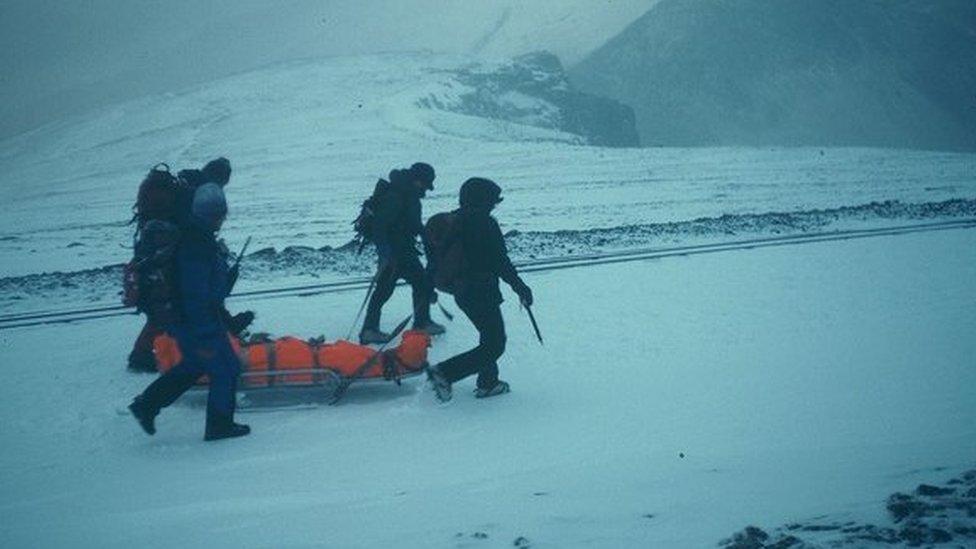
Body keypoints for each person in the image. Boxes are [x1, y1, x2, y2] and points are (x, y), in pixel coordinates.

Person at [128, 183, 251, 441]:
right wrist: (205, 332)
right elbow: (195, 293)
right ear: (214, 214)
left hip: (191, 320)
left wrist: (226, 280)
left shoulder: (195, 235)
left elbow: (207, 287)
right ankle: (219, 426)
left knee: (194, 366)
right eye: (221, 214)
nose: (223, 219)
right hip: (198, 323)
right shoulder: (197, 244)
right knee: (226, 368)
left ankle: (146, 405)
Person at [126, 157, 251, 372]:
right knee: (167, 309)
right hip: (171, 257)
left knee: (168, 306)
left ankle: (226, 330)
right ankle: (140, 357)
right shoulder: (198, 192)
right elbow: (194, 227)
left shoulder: (185, 182)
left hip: (160, 252)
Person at [425, 178, 533, 402]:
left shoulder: (449, 222)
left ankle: (488, 383)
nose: (494, 206)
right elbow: (500, 262)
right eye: (492, 201)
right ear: (483, 200)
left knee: (488, 336)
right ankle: (444, 372)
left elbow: (433, 261)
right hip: (481, 290)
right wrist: (520, 287)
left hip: (461, 292)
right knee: (494, 345)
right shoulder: (485, 224)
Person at [360, 162, 446, 344]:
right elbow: (379, 226)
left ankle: (420, 323)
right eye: (425, 184)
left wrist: (425, 234)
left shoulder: (408, 195)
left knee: (415, 284)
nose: (426, 189)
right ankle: (370, 330)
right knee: (389, 289)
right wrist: (384, 253)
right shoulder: (396, 196)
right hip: (395, 253)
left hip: (403, 250)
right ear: (417, 180)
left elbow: (410, 223)